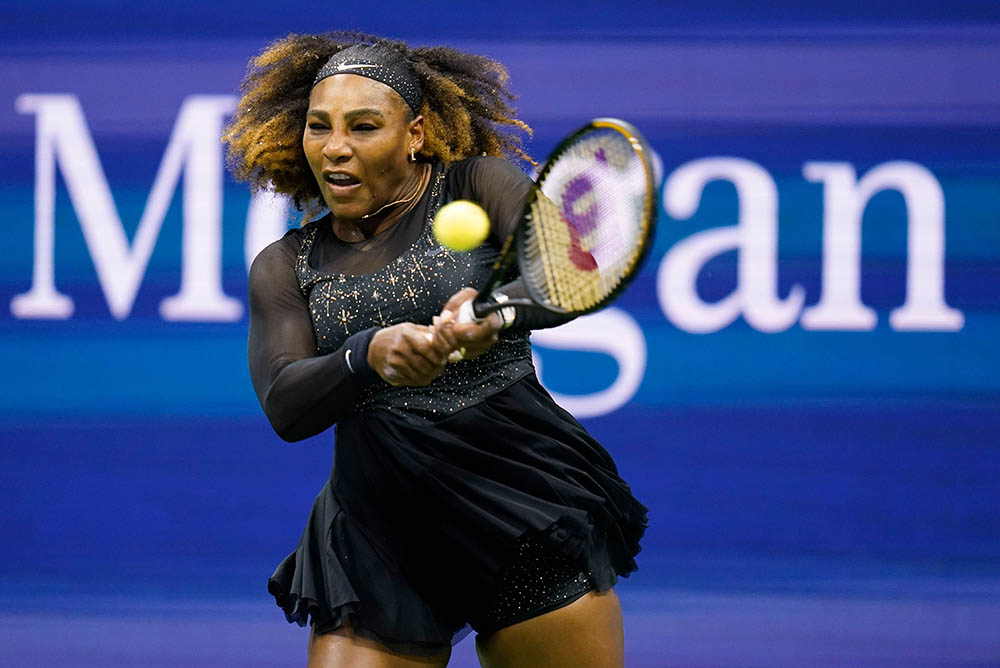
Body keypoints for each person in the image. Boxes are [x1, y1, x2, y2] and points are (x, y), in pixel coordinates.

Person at [223, 32, 648, 668]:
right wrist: (366, 354)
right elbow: (286, 406)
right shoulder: (286, 266)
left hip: (517, 507)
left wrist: (495, 316)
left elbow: (570, 274)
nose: (335, 148)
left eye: (363, 127)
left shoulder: (478, 184)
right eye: (319, 127)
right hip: (379, 534)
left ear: (416, 132)